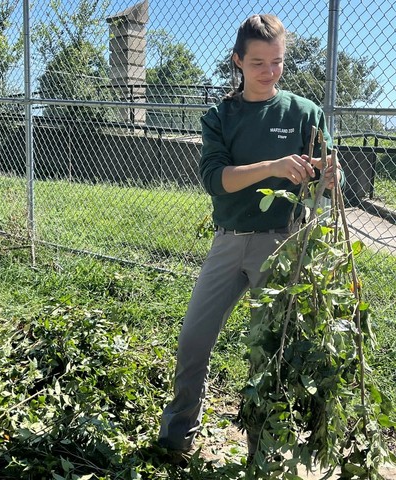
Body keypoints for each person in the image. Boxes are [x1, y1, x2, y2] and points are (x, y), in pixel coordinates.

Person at [157, 13, 342, 463]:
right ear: (237, 61)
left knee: (268, 352)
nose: (269, 72)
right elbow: (217, 180)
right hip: (228, 241)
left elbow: (328, 172)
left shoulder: (304, 113)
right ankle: (177, 437)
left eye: (277, 62)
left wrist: (328, 175)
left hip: (281, 245)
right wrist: (276, 166)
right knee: (194, 340)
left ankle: (264, 455)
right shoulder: (220, 116)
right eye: (258, 62)